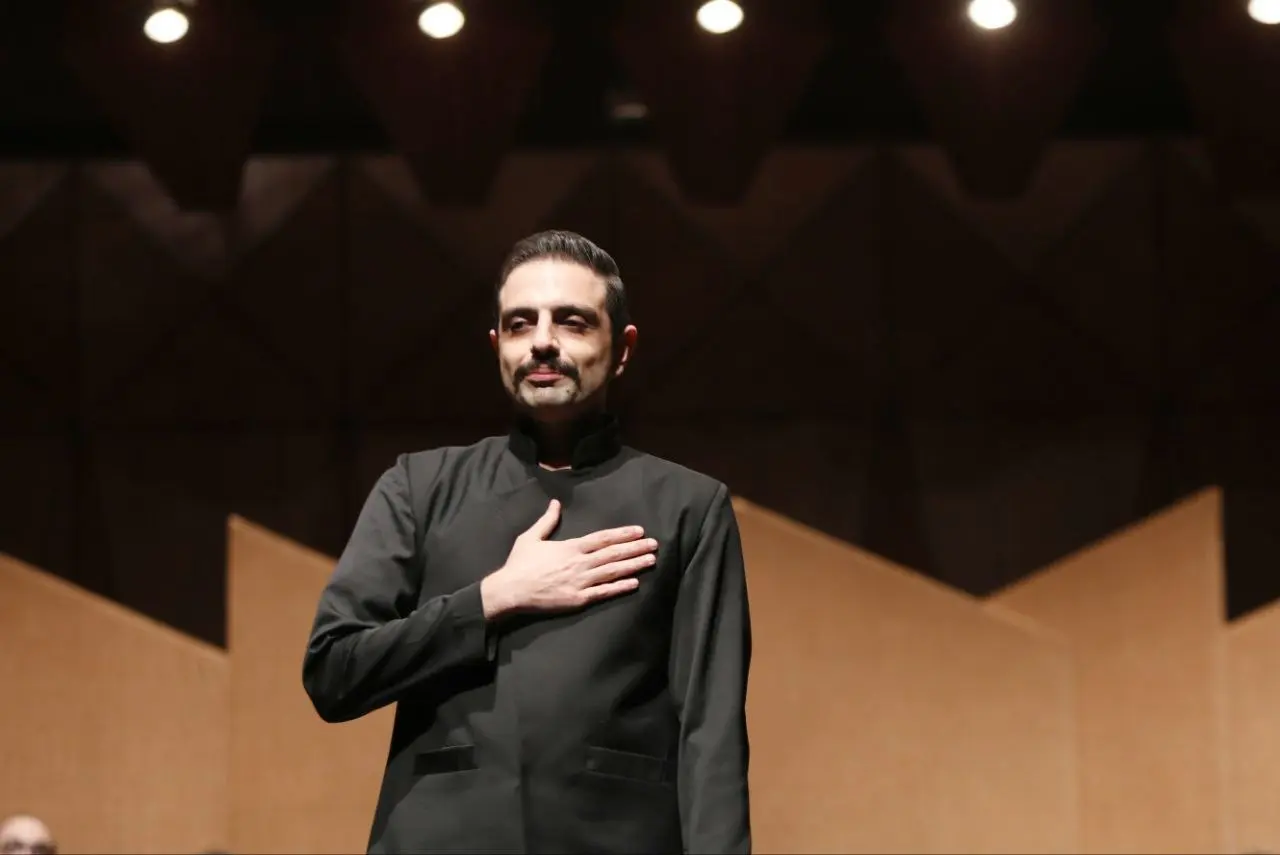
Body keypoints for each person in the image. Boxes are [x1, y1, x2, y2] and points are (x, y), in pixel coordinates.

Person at [302, 229, 752, 854]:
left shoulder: (688, 506)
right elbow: (333, 671)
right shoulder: (419, 487)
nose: (542, 340)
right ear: (498, 346)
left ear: (623, 349)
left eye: (571, 321)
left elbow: (712, 730)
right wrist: (492, 599)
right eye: (519, 324)